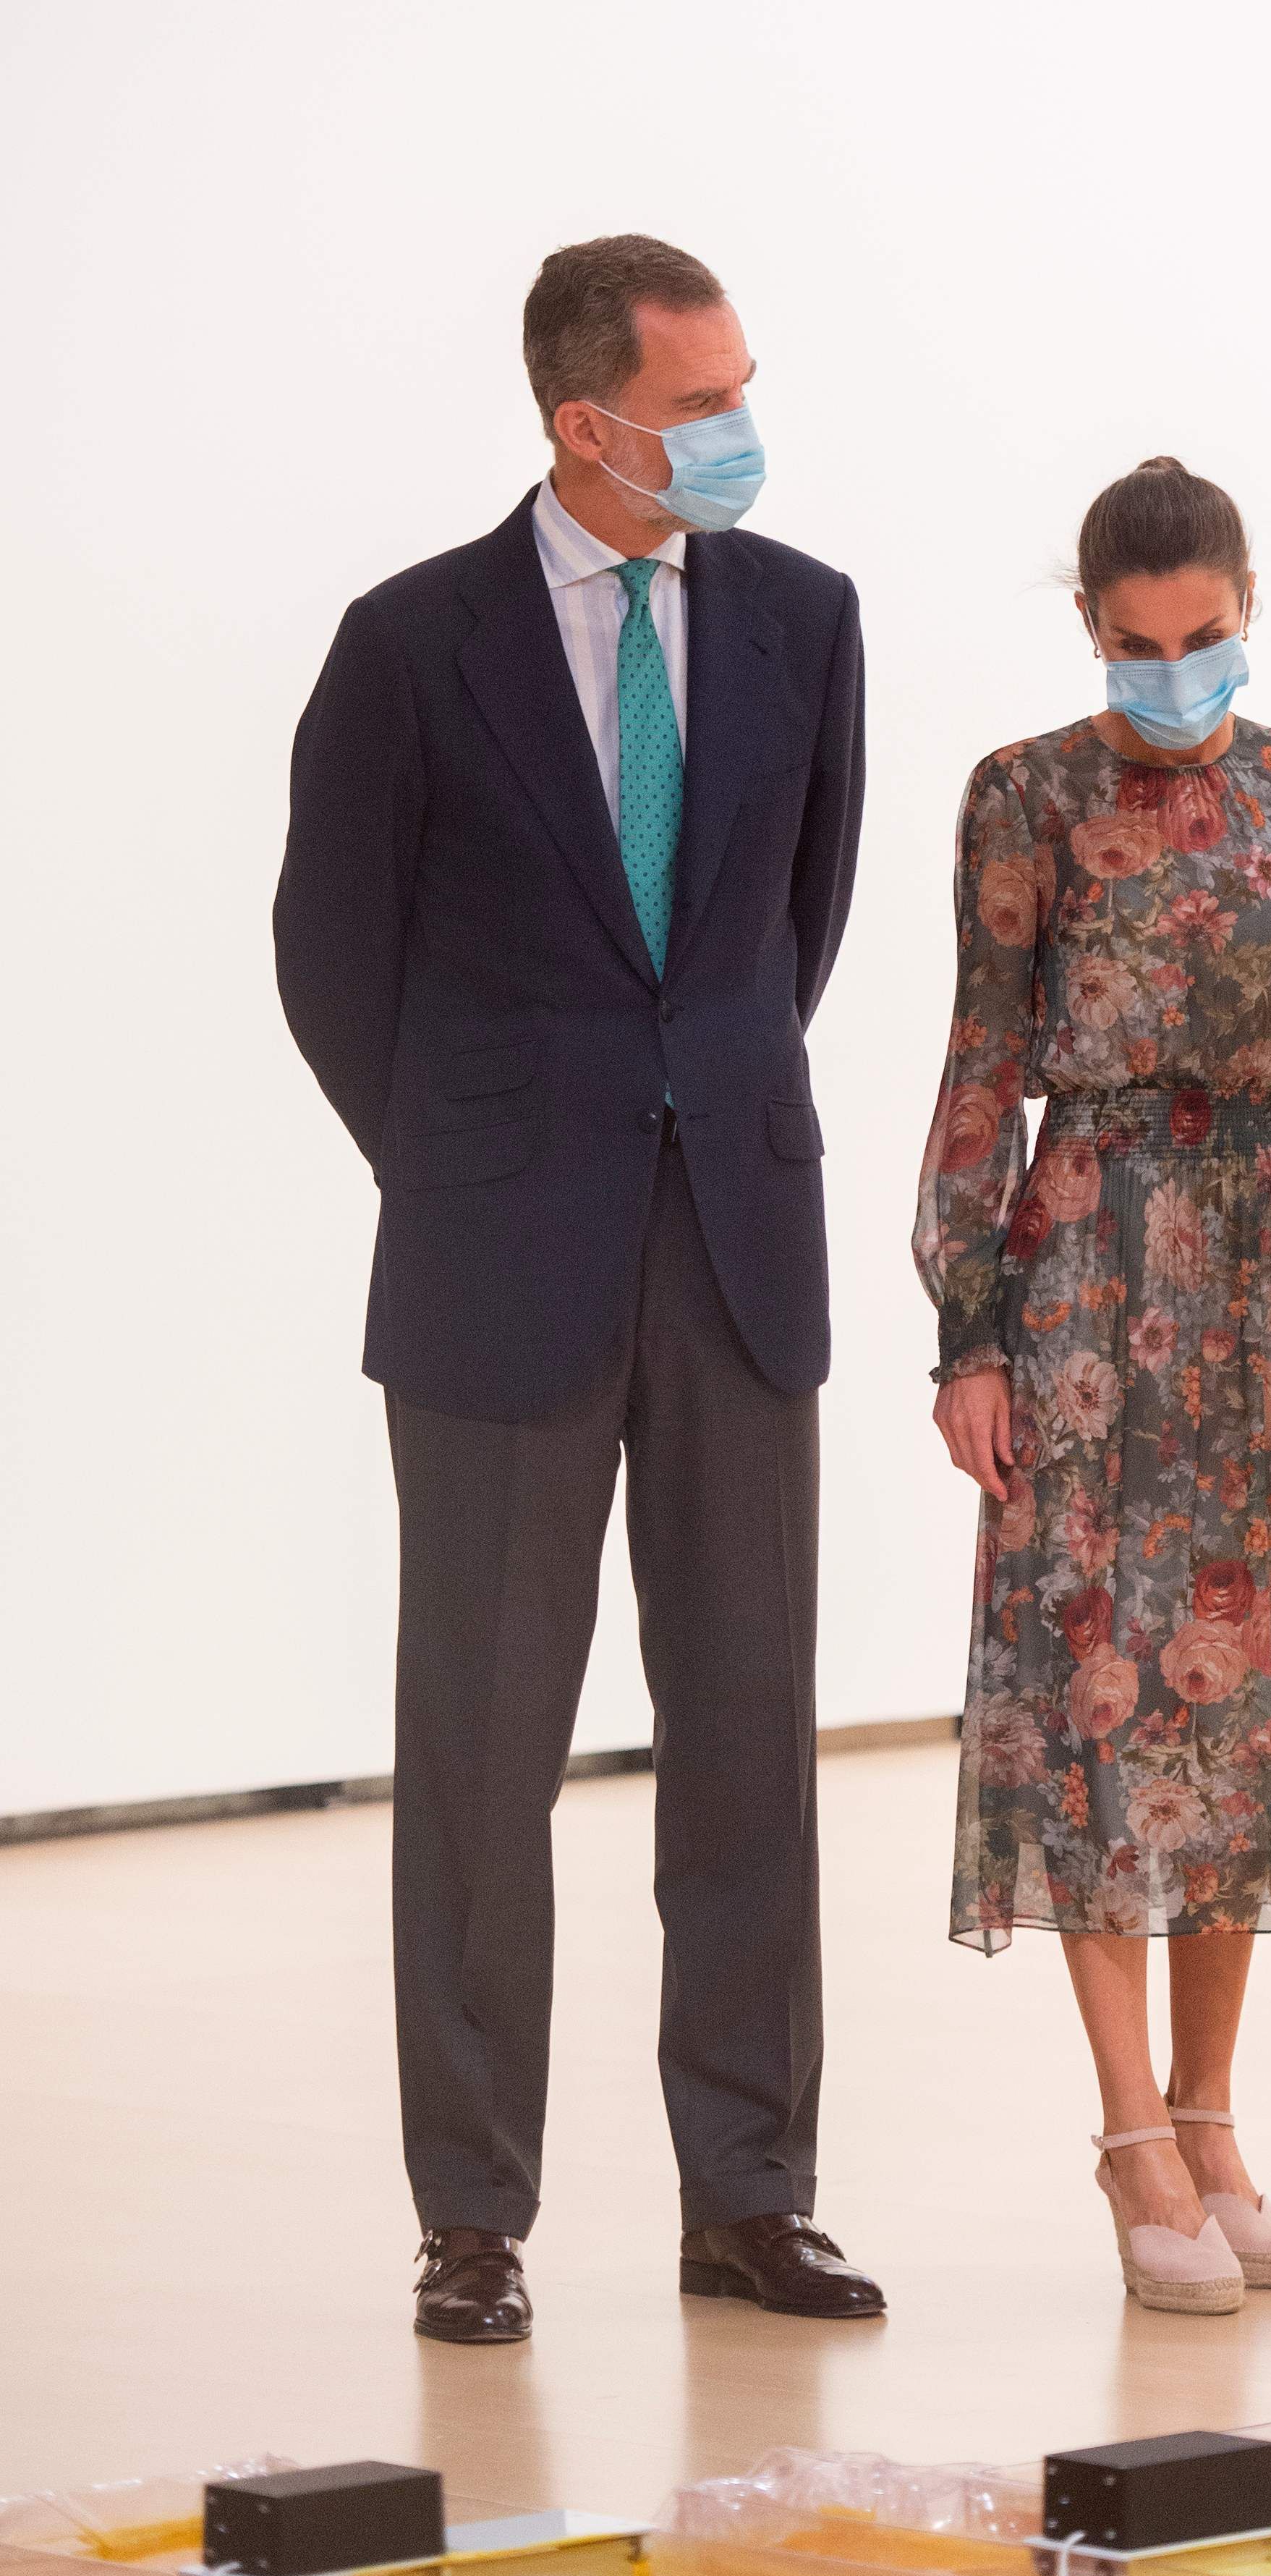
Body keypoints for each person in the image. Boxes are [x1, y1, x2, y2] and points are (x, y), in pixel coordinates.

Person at [274, 234, 881, 2341]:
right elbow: (331, 956)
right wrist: (470, 1161)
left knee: (746, 1741)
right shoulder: (410, 642)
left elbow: (786, 930)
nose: (735, 430)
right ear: (581, 420)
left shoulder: (806, 618)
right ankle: (475, 2217)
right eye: (698, 400)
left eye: (741, 388)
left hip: (733, 1237)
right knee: (479, 1754)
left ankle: (750, 2192)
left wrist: (682, 1109)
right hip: (491, 1263)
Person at [914, 457, 1271, 2313]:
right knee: (1098, 1694)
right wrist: (965, 1328)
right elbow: (983, 1063)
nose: (1171, 670)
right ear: (1088, 628)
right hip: (1083, 1272)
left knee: (1245, 1695)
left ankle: (1217, 2116)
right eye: (1136, 643)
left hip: (1268, 1270)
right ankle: (1133, 2127)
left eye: (1201, 636)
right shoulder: (1026, 794)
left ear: (1246, 604)